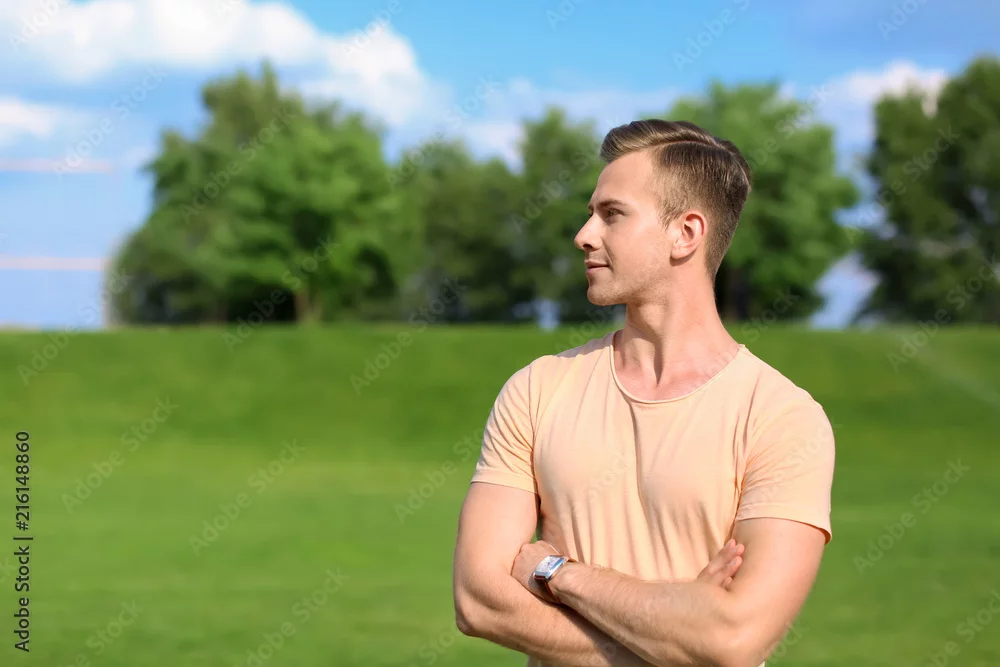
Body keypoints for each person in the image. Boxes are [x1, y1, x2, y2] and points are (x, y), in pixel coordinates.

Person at [451, 119, 836, 667]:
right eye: (591, 212)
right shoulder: (537, 388)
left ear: (686, 233)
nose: (584, 234)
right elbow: (479, 600)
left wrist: (557, 573)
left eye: (612, 214)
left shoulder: (781, 417)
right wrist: (674, 639)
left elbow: (734, 639)